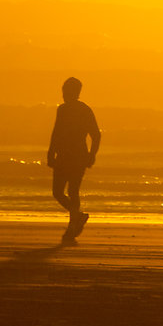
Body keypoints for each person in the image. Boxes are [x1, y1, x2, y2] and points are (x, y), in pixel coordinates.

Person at [47, 76, 101, 242]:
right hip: (65, 155)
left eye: (66, 91)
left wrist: (92, 155)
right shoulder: (62, 109)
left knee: (72, 191)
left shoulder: (84, 110)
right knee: (57, 192)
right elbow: (56, 132)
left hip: (77, 156)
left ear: (74, 92)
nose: (63, 94)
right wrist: (51, 152)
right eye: (63, 90)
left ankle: (72, 226)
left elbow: (96, 134)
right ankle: (77, 216)